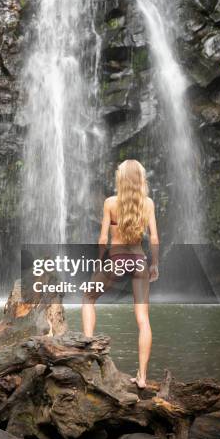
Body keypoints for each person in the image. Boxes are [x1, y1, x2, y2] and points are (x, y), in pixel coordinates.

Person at [81, 159, 159, 388]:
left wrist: (99, 263)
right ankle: (142, 377)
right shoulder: (148, 204)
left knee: (88, 297)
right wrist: (155, 264)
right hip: (139, 260)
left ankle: (87, 359)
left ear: (121, 179)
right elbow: (153, 238)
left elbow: (103, 238)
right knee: (143, 320)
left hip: (116, 260)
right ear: (141, 179)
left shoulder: (111, 203)